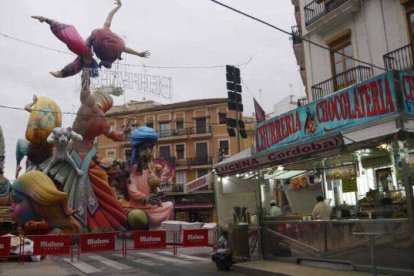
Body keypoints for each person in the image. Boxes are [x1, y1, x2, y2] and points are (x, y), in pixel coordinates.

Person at [40, 69, 128, 232]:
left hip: (73, 151)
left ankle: (80, 223)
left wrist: (86, 68)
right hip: (85, 154)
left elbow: (85, 87)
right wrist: (126, 131)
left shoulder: (88, 104)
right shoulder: (104, 121)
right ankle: (108, 223)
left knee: (69, 184)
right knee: (102, 189)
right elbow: (116, 136)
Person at [32, 0, 150, 78]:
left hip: (93, 47)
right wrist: (119, 6)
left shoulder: (111, 36)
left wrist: (138, 54)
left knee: (90, 67)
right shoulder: (105, 32)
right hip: (88, 44)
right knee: (83, 55)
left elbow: (125, 48)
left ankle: (63, 73)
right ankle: (62, 73)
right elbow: (110, 16)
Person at [123, 127, 174, 230]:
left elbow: (154, 187)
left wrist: (158, 192)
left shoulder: (152, 168)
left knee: (169, 205)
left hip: (153, 209)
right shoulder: (130, 168)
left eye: (150, 148)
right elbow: (131, 189)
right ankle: (148, 228)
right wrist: (145, 198)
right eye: (144, 148)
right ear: (137, 150)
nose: (148, 152)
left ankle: (160, 228)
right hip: (138, 208)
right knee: (137, 216)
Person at [9, 171, 81, 234]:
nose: (11, 208)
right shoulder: (31, 231)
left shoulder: (57, 237)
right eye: (12, 202)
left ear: (37, 203)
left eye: (17, 201)